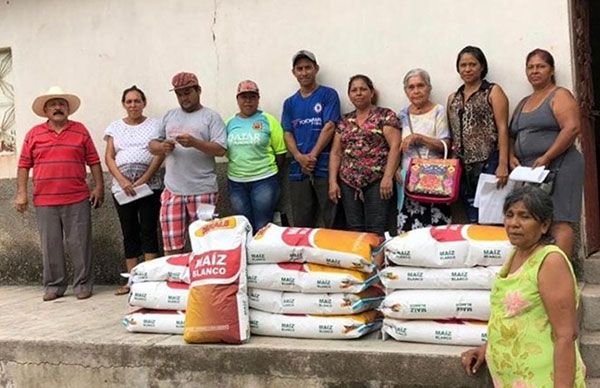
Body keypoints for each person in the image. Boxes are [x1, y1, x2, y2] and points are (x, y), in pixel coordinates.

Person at [461, 186, 585, 387]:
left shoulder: (550, 261)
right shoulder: (515, 256)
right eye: (509, 215)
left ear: (544, 225)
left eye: (524, 217)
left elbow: (565, 334)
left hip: (544, 378)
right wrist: (487, 348)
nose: (513, 224)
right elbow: (516, 317)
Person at [15, 86, 104, 301]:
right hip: (45, 200)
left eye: (61, 104)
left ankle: (83, 284)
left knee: (80, 243)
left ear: (68, 109)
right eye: (52, 105)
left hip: (77, 197)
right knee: (50, 244)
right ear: (45, 111)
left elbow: (93, 160)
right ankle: (54, 285)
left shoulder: (80, 130)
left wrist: (99, 186)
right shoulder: (33, 134)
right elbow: (24, 165)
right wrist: (21, 194)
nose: (57, 107)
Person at [509, 48, 584, 260]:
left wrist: (548, 156)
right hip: (532, 172)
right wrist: (511, 156)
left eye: (540, 66)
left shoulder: (559, 95)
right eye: (530, 67)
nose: (535, 71)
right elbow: (512, 134)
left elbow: (571, 128)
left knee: (560, 220)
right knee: (537, 219)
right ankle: (542, 274)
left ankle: (562, 276)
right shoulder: (524, 101)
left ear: (551, 70)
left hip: (561, 165)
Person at [149, 72, 226, 255]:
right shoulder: (168, 116)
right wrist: (162, 146)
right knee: (172, 247)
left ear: (198, 90)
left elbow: (221, 149)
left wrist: (195, 143)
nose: (184, 97)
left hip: (203, 191)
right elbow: (151, 145)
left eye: (187, 92)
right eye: (179, 94)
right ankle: (178, 280)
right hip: (172, 191)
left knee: (206, 245)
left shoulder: (211, 117)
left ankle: (204, 281)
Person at [105, 85, 164, 295]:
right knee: (129, 231)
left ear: (144, 103)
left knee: (148, 230)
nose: (133, 105)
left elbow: (160, 153)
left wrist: (144, 179)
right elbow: (109, 157)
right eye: (129, 101)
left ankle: (149, 280)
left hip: (149, 187)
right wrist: (121, 180)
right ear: (123, 104)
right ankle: (131, 281)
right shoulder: (114, 127)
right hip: (122, 189)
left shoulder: (155, 125)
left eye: (137, 101)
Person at [328, 74, 400, 236]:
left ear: (372, 92)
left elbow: (395, 146)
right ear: (349, 95)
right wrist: (333, 182)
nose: (358, 93)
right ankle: (360, 261)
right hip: (348, 183)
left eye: (363, 89)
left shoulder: (385, 116)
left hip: (377, 181)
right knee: (354, 228)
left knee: (377, 228)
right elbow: (336, 152)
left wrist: (388, 177)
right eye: (354, 90)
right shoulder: (345, 121)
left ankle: (376, 261)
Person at [447, 46, 509, 223]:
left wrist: (502, 163)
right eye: (463, 65)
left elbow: (503, 128)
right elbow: (453, 133)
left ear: (482, 66)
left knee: (491, 214)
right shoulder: (453, 97)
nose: (467, 69)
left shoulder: (492, 91)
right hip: (462, 165)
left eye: (472, 64)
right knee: (470, 214)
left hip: (488, 161)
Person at [282, 50, 341, 228]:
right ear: (294, 72)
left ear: (316, 69)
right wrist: (299, 157)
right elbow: (287, 132)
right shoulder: (290, 103)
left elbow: (330, 125)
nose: (304, 72)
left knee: (333, 220)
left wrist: (312, 155)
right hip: (298, 170)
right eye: (299, 69)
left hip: (323, 167)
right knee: (301, 223)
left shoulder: (328, 95)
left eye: (308, 67)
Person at [225, 80, 287, 233]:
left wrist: (266, 171)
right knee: (243, 226)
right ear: (237, 99)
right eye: (243, 97)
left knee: (262, 226)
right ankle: (247, 257)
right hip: (237, 183)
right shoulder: (229, 123)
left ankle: (264, 257)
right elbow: (223, 149)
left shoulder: (269, 120)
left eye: (252, 97)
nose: (248, 101)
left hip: (264, 181)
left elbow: (280, 152)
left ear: (258, 98)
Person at [397, 69, 452, 232]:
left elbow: (446, 146)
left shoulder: (438, 111)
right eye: (411, 87)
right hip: (408, 181)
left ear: (429, 88)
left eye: (420, 85)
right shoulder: (402, 115)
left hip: (435, 181)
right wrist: (395, 170)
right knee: (408, 233)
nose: (416, 91)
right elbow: (395, 147)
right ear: (406, 91)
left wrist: (419, 138)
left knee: (436, 233)